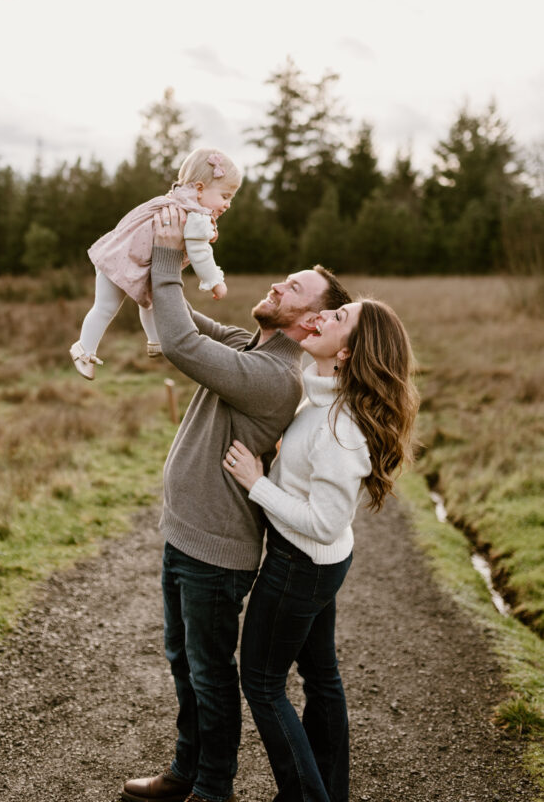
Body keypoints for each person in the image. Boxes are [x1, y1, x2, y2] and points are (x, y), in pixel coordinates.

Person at [121, 207, 353, 802]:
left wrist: (173, 256)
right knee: (184, 664)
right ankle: (186, 770)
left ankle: (212, 788)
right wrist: (150, 257)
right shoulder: (251, 345)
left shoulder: (274, 375)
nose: (278, 284)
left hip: (215, 554)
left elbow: (177, 342)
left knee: (210, 673)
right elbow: (180, 320)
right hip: (184, 535)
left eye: (294, 287)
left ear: (309, 319)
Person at [222, 297, 419, 802]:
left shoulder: (341, 429)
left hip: (300, 564)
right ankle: (328, 791)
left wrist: (256, 483)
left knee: (263, 684)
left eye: (337, 318)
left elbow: (327, 525)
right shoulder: (322, 396)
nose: (321, 318)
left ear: (349, 351)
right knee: (321, 675)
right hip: (315, 565)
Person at [70, 148, 241, 380]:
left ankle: (155, 340)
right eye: (225, 196)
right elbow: (201, 252)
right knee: (107, 307)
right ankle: (83, 350)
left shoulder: (173, 200)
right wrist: (215, 282)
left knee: (148, 300)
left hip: (122, 257)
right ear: (200, 189)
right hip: (123, 262)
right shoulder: (194, 215)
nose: (228, 204)